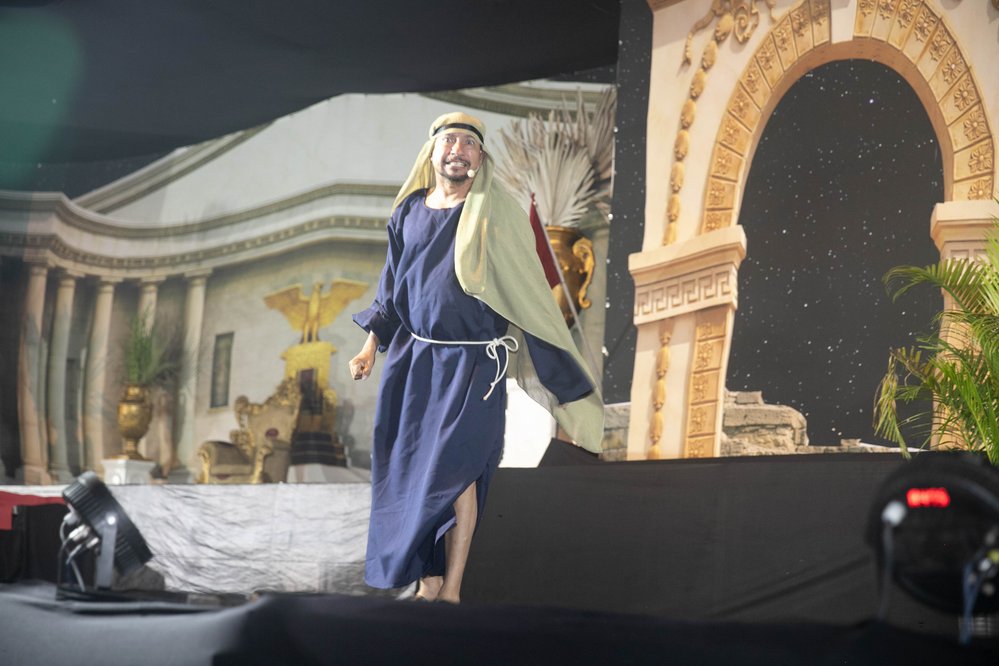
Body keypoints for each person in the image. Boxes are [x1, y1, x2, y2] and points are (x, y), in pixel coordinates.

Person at [349, 111, 603, 603]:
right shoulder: (407, 212)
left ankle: (454, 587)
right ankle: (429, 581)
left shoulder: (496, 213)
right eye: (450, 140)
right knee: (413, 472)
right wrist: (369, 347)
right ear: (433, 151)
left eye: (469, 143)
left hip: (473, 365)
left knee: (460, 468)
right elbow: (391, 290)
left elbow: (526, 291)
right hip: (413, 364)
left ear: (480, 159)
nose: (458, 151)